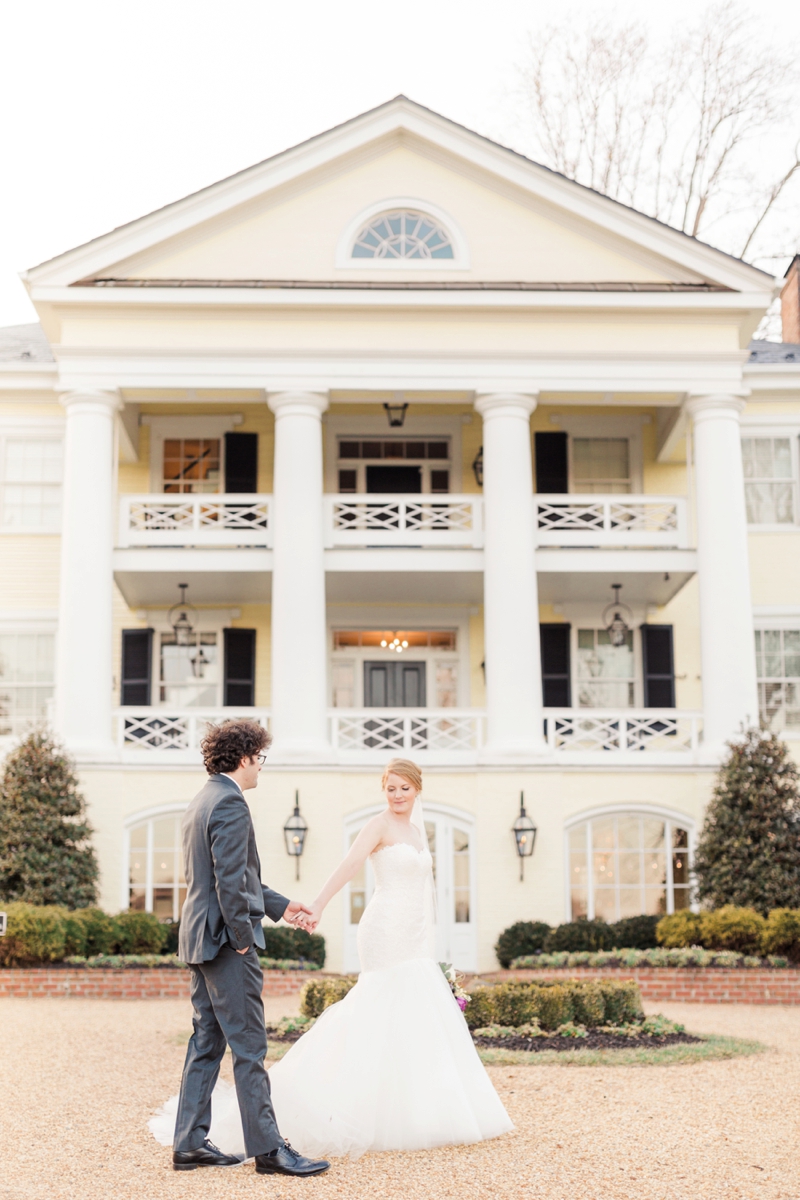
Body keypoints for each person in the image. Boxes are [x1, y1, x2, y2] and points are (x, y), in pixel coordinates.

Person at [268, 757, 513, 1158]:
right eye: (391, 788)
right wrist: (318, 904)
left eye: (404, 788)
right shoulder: (378, 825)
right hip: (384, 929)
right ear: (384, 790)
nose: (397, 795)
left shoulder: (417, 830)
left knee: (414, 1012)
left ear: (417, 788)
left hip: (415, 933)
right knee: (379, 1004)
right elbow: (349, 865)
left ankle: (419, 1110)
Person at [149, 718, 329, 1178]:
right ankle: (269, 1150)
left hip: (200, 941)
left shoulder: (202, 799)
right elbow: (230, 884)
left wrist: (285, 906)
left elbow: (231, 879)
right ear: (245, 757)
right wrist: (245, 941)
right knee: (249, 1047)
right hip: (227, 946)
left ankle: (189, 1143)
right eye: (260, 759)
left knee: (206, 1042)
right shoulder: (230, 803)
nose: (260, 769)